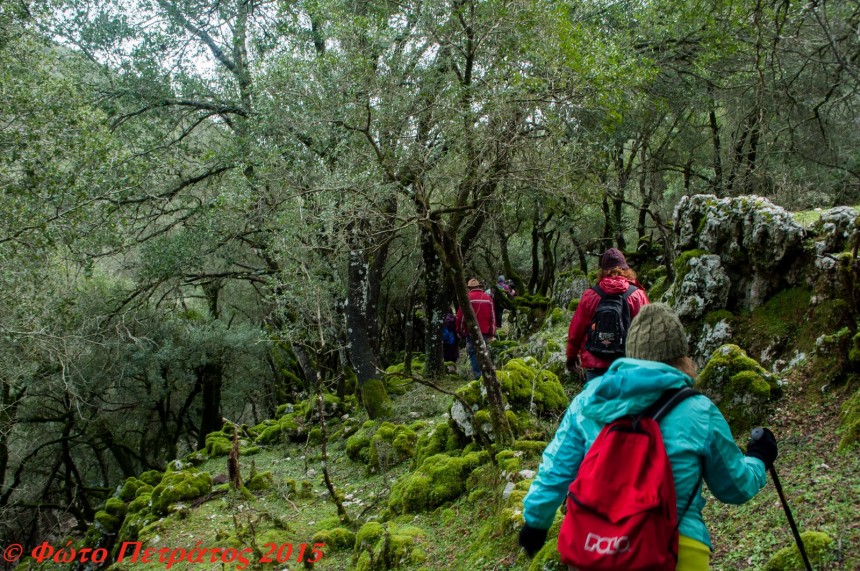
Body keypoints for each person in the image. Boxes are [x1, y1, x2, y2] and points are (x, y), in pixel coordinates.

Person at [518, 303, 778, 570]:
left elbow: (556, 470)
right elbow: (734, 487)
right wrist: (759, 457)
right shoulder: (699, 411)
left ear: (631, 352)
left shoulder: (591, 400)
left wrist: (535, 523)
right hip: (675, 548)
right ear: (681, 357)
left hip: (595, 547)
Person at [566, 247, 649, 381]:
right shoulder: (637, 295)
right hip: (627, 364)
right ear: (625, 269)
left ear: (602, 271)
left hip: (595, 364)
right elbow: (647, 330)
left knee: (597, 401)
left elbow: (576, 329)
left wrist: (571, 355)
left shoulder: (590, 295)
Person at [455, 278, 496, 379]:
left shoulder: (467, 298)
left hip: (471, 330)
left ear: (469, 288)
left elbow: (460, 317)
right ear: (479, 287)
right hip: (485, 331)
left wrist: (459, 332)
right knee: (483, 350)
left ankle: (478, 375)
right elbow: (493, 317)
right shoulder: (488, 298)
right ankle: (486, 374)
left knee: (473, 352)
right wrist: (492, 333)